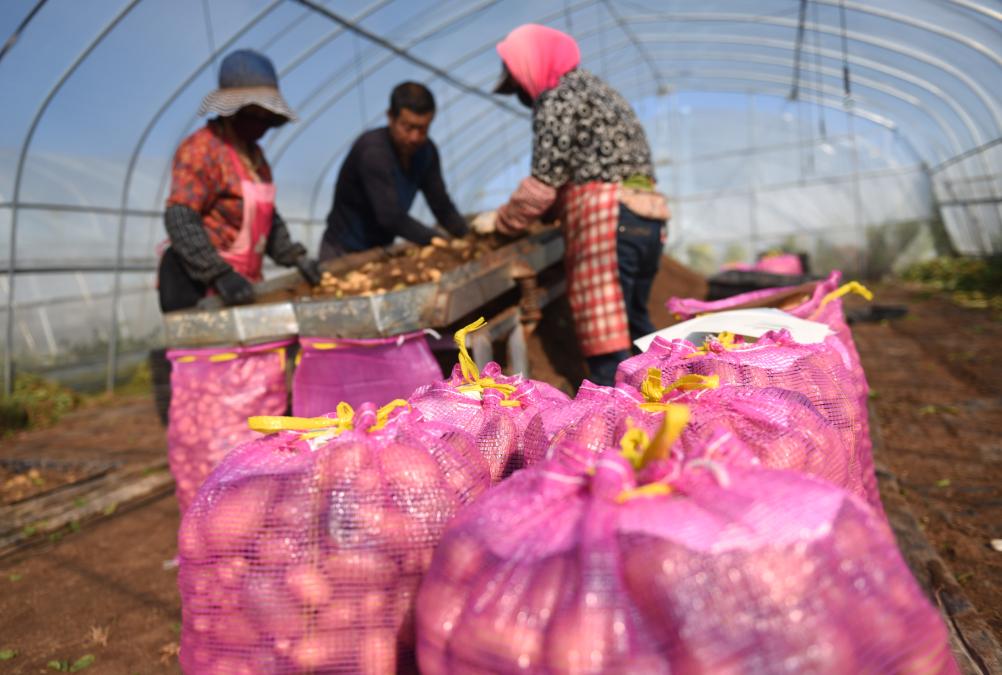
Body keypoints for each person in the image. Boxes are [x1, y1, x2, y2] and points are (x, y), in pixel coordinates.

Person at [476, 24, 670, 386]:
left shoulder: (557, 98)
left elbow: (545, 181)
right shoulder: (598, 91)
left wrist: (503, 223)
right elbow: (576, 167)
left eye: (517, 79)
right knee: (636, 324)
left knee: (607, 333)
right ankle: (671, 401)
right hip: (648, 217)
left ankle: (621, 419)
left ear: (531, 65)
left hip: (609, 219)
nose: (519, 89)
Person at [158, 49, 321, 312]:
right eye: (254, 112)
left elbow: (266, 218)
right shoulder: (204, 149)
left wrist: (295, 256)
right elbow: (180, 217)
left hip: (241, 282)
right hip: (198, 284)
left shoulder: (256, 156)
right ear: (233, 109)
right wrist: (217, 273)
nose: (261, 122)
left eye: (266, 115)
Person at [320, 82, 468, 259]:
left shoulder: (426, 152)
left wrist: (466, 235)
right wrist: (438, 240)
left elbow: (441, 204)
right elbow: (390, 217)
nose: (415, 137)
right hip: (342, 250)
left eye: (423, 129)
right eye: (408, 127)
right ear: (391, 117)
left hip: (380, 249)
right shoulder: (372, 152)